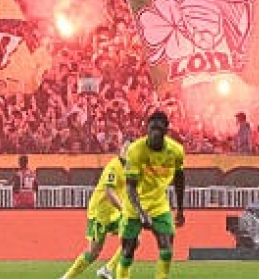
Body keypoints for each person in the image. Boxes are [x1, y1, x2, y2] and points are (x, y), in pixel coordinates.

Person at [118, 111, 185, 279]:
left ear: (165, 131)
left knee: (167, 247)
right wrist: (141, 213)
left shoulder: (176, 151)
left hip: (158, 204)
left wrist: (180, 210)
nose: (155, 133)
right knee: (128, 250)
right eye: (152, 129)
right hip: (134, 204)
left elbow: (179, 179)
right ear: (147, 129)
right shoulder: (135, 150)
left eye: (159, 129)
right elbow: (130, 187)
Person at [58, 143, 128, 279]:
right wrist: (124, 209)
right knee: (93, 252)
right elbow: (109, 192)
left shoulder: (131, 168)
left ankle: (108, 268)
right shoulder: (113, 166)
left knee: (133, 237)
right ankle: (66, 278)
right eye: (126, 149)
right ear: (121, 150)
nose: (128, 152)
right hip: (100, 213)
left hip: (115, 213)